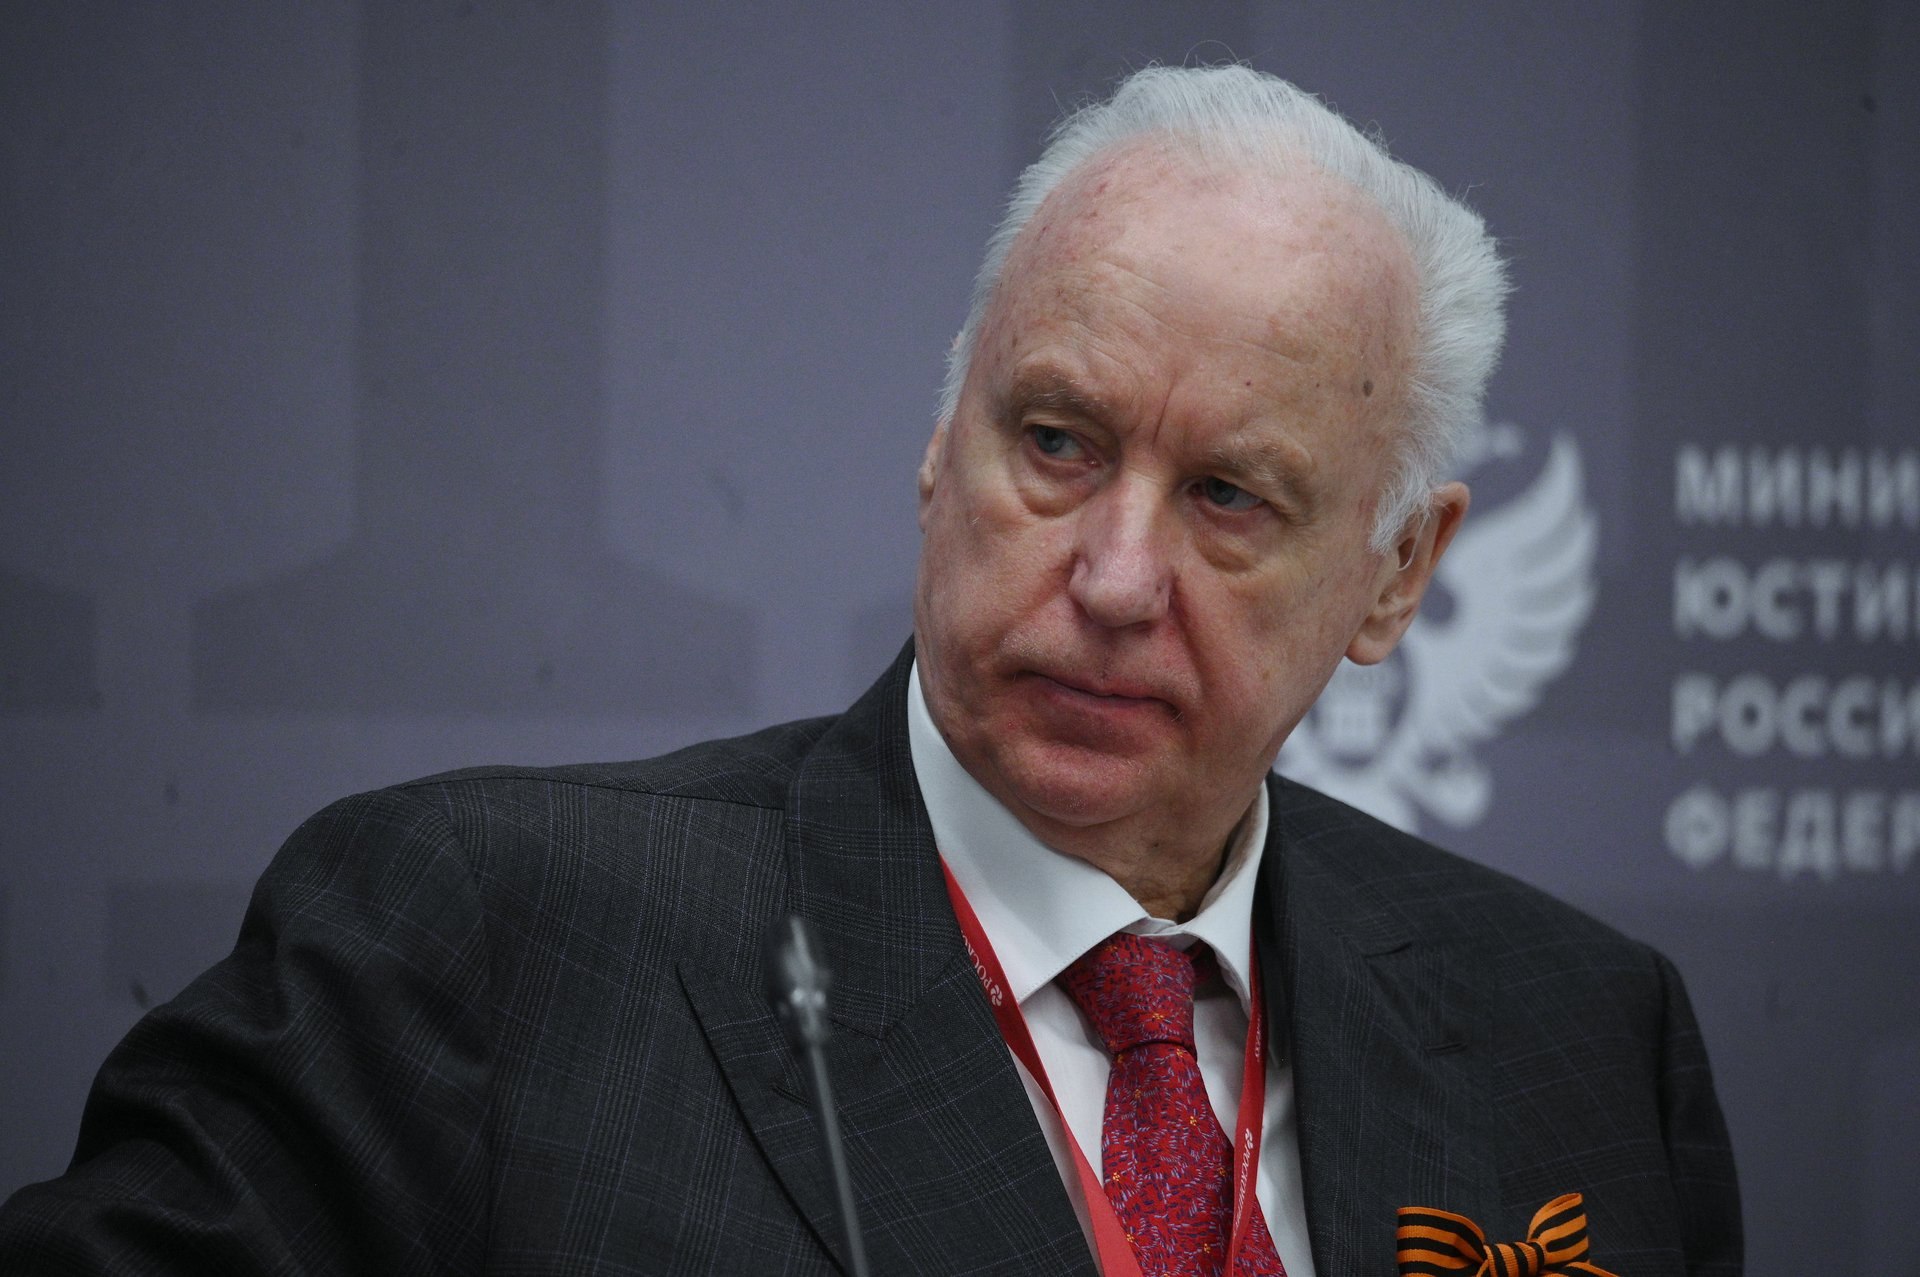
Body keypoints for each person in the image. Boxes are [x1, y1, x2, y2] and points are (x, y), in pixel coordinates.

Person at [0, 65, 1740, 1275]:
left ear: (1397, 573)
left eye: (1229, 497)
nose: (1113, 577)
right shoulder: (485, 939)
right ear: (938, 441)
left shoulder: (1581, 1038)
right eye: (1054, 441)